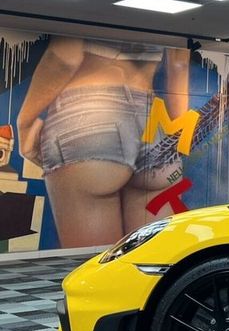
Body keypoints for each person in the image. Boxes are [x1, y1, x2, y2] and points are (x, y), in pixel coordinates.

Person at [17, 36, 190, 248]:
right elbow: (179, 66)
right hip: (154, 120)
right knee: (151, 259)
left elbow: (65, 57)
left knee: (91, 261)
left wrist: (24, 122)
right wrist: (173, 143)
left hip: (90, 114)